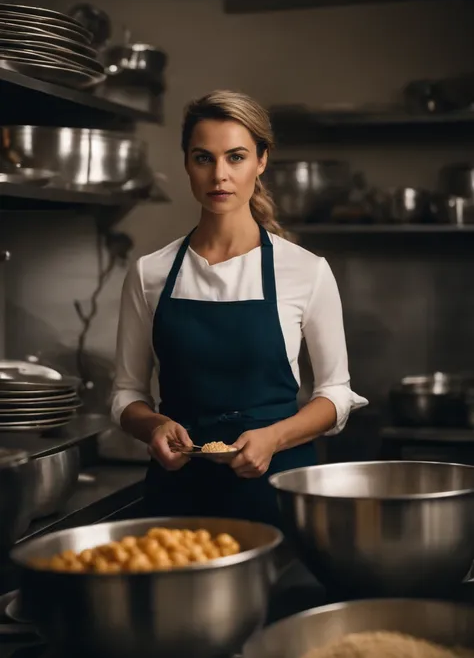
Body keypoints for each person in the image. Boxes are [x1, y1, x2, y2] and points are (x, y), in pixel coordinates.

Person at [111, 89, 367, 527]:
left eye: (236, 157)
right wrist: (153, 427)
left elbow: (336, 395)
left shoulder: (305, 271)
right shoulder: (149, 273)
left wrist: (274, 437)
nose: (219, 176)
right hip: (178, 495)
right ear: (187, 164)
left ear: (261, 161)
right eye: (203, 158)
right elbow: (125, 395)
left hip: (278, 490)